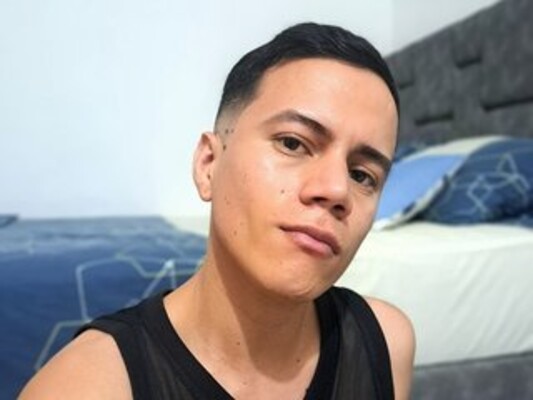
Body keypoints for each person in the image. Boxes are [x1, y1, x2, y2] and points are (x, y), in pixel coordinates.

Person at [20, 22, 415, 399]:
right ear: (208, 164)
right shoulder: (86, 387)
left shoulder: (385, 342)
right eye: (293, 143)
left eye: (362, 175)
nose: (335, 189)